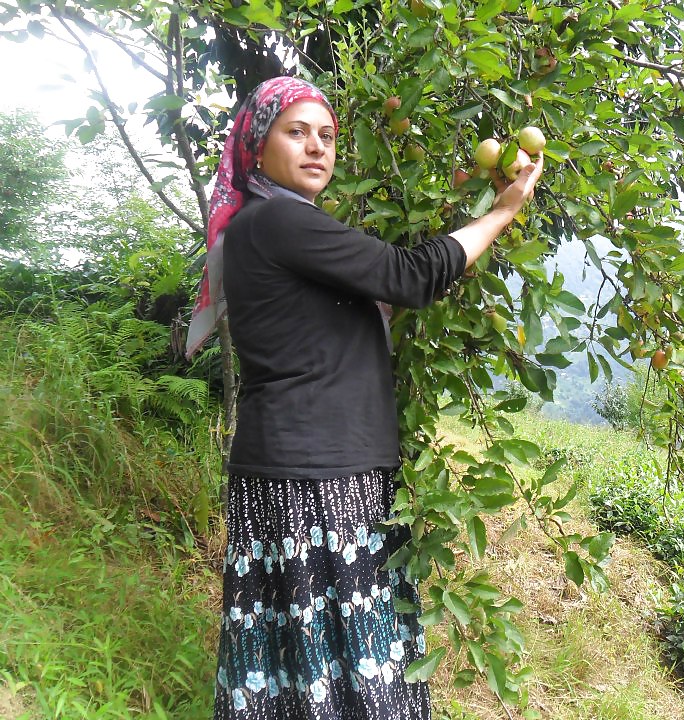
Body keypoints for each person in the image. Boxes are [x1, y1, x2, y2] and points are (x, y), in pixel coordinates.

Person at [185, 75, 542, 720]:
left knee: (294, 669)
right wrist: (503, 212)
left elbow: (346, 320)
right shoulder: (280, 221)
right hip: (320, 482)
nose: (317, 147)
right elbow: (409, 277)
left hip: (296, 470)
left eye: (326, 136)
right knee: (361, 679)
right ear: (256, 146)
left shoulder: (257, 229)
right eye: (297, 133)